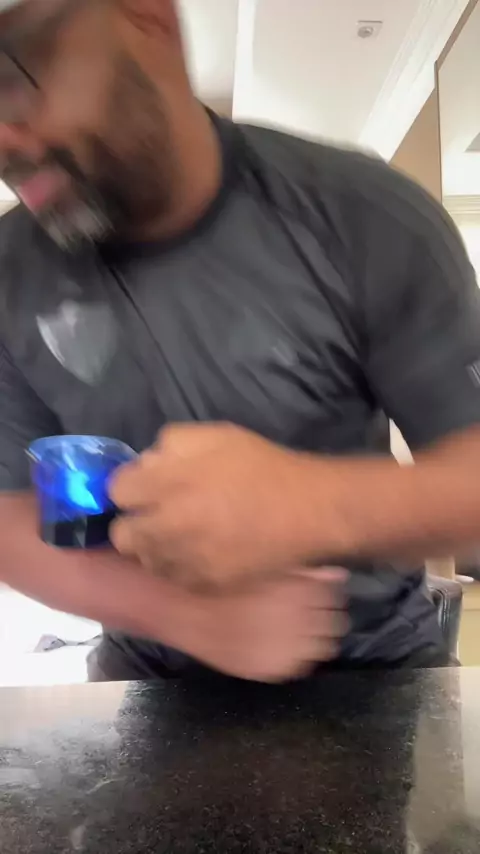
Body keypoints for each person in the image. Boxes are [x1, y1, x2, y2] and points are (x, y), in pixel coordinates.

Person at [0, 0, 479, 683]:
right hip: (145, 681)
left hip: (378, 675)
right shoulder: (8, 274)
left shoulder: (363, 216)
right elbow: (8, 514)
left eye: (13, 73)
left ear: (146, 18)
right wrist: (182, 613)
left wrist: (313, 505)